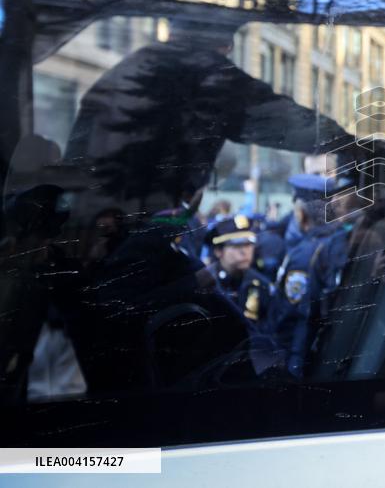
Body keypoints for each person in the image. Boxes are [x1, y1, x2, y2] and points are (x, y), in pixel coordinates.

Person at [62, 36, 362, 221]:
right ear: (226, 45)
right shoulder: (206, 72)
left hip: (88, 220)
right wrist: (355, 146)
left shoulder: (127, 69)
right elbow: (284, 121)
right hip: (134, 219)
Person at [266, 174, 351, 378]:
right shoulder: (338, 243)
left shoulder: (305, 253)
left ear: (301, 213)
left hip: (298, 360)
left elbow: (294, 316)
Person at [205, 215, 274, 324]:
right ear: (218, 251)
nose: (244, 252)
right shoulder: (204, 282)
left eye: (248, 245)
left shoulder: (262, 284)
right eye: (237, 246)